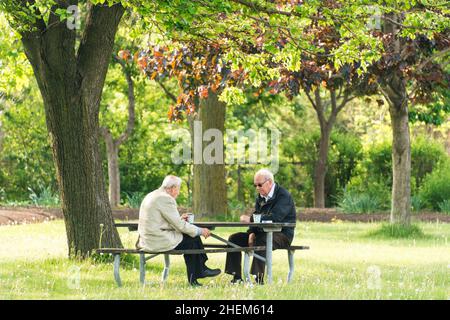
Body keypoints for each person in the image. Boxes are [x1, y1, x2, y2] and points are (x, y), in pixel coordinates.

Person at [137, 175, 221, 286]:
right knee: (192, 238)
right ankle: (197, 275)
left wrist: (180, 219)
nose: (178, 192)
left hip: (148, 239)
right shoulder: (166, 198)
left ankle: (201, 270)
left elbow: (163, 221)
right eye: (178, 189)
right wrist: (201, 231)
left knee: (192, 236)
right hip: (157, 240)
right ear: (172, 188)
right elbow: (180, 226)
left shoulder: (153, 195)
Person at [225, 168, 296, 284]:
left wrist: (250, 219)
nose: (257, 188)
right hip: (261, 232)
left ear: (269, 182)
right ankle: (236, 277)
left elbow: (276, 218)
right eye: (255, 185)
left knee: (263, 241)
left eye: (259, 185)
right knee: (234, 239)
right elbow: (257, 214)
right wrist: (252, 232)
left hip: (282, 235)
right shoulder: (261, 196)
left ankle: (258, 279)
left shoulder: (284, 196)